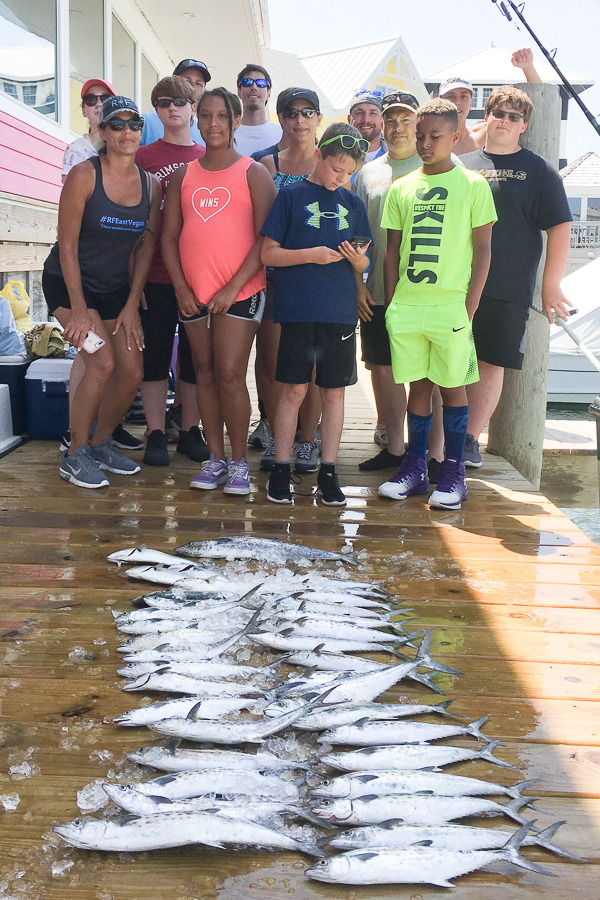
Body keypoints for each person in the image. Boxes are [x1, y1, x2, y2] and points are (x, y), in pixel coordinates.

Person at [377, 98, 496, 510]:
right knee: (419, 387)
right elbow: (391, 250)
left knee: (454, 386)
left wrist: (470, 306)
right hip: (408, 308)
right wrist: (392, 303)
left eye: (435, 137)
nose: (426, 144)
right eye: (421, 136)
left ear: (455, 136)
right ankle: (414, 468)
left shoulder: (474, 184)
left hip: (451, 308)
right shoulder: (401, 187)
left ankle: (453, 472)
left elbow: (483, 251)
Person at [162, 87, 277, 495]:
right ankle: (215, 459)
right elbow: (170, 236)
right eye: (206, 115)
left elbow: (265, 240)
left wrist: (232, 287)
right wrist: (179, 286)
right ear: (198, 119)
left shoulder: (253, 173)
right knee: (204, 373)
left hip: (240, 293)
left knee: (229, 374)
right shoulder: (183, 175)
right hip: (193, 293)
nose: (213, 124)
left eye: (221, 117)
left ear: (235, 122)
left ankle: (240, 463)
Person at [43, 96, 160, 488]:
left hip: (113, 290)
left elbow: (146, 246)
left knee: (131, 372)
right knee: (101, 362)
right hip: (68, 284)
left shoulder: (151, 185)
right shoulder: (84, 175)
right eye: (117, 124)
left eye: (134, 124)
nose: (127, 131)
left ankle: (99, 442)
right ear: (103, 131)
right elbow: (68, 245)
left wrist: (130, 305)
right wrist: (78, 310)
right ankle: (75, 454)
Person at [460, 85, 572, 468]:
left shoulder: (540, 170)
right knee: (450, 360)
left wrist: (550, 284)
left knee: (490, 362)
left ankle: (469, 438)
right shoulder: (461, 164)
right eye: (499, 113)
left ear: (523, 125)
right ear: (486, 116)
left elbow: (559, 227)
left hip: (508, 285)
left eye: (514, 116)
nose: (505, 121)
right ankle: (443, 435)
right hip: (456, 282)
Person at [261, 122, 372, 506]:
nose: (339, 178)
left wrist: (360, 263)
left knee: (335, 393)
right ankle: (280, 466)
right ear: (319, 155)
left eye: (348, 174)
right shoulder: (290, 196)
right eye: (334, 169)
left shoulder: (353, 203)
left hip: (339, 313)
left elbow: (364, 264)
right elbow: (268, 254)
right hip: (297, 311)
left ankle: (328, 471)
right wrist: (310, 255)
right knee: (293, 390)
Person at [135, 76, 208, 467]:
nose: (173, 108)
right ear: (157, 110)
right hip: (155, 274)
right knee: (156, 355)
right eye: (164, 103)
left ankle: (191, 430)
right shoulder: (143, 156)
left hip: (197, 275)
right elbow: (134, 221)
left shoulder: (205, 155)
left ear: (192, 107)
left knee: (195, 358)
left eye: (180, 101)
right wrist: (135, 279)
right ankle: (156, 431)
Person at [352, 91, 420, 474]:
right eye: (390, 120)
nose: (397, 127)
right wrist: (358, 283)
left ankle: (429, 450)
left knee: (430, 374)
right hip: (376, 290)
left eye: (405, 119)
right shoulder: (367, 173)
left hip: (427, 292)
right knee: (383, 370)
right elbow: (355, 235)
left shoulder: (447, 167)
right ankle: (394, 447)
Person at [257, 88, 323, 475]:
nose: (300, 120)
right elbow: (263, 230)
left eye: (308, 112)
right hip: (274, 278)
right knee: (271, 361)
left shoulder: (329, 163)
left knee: (312, 366)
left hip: (317, 283)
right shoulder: (267, 165)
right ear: (280, 118)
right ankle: (273, 428)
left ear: (317, 119)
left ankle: (307, 440)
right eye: (292, 113)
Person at [440, 49, 542, 155]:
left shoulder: (483, 134)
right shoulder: (427, 136)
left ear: (471, 103)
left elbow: (538, 101)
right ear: (439, 101)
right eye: (450, 96)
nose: (457, 102)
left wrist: (528, 67)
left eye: (463, 96)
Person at [139, 59, 210, 147]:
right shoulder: (145, 122)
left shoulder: (205, 133)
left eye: (198, 83)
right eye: (186, 82)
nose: (192, 88)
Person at [62, 79, 116, 183]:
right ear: (84, 111)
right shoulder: (76, 150)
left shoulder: (125, 144)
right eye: (91, 99)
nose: (99, 104)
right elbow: (70, 195)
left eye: (105, 98)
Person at [234, 64, 282, 157]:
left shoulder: (282, 134)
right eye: (247, 82)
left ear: (269, 94)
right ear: (239, 92)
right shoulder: (228, 135)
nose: (254, 87)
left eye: (261, 83)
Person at [348, 90, 386, 164]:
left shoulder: (395, 157)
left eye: (373, 113)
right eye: (359, 113)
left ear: (383, 120)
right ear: (349, 119)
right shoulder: (335, 154)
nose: (366, 120)